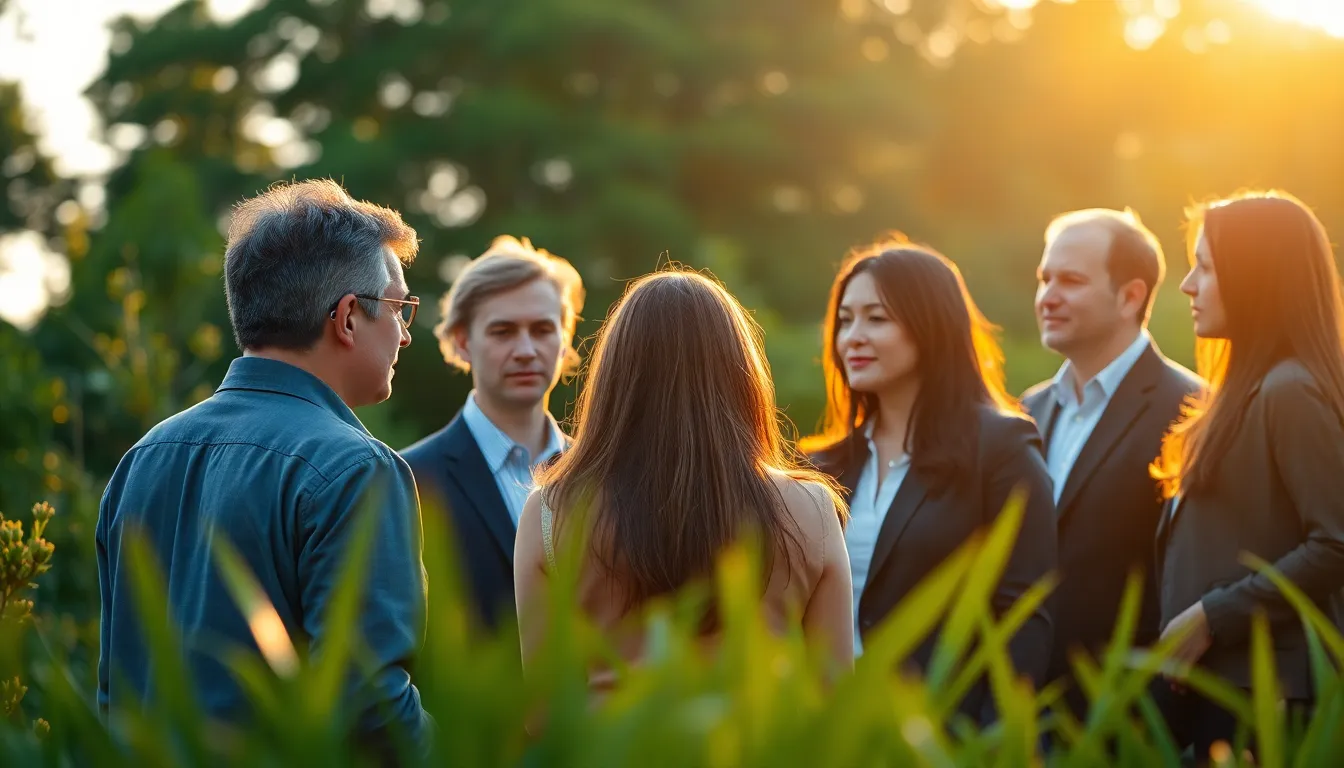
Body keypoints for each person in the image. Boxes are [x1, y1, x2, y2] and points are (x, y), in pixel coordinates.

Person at [96, 180, 430, 758]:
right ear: (348, 317)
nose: (404, 333)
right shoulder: (355, 470)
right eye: (400, 307)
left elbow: (115, 687)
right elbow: (370, 712)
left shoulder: (142, 458)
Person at [514, 268, 854, 688]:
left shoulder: (549, 512)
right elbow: (834, 693)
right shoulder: (813, 509)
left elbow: (541, 714)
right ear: (741, 374)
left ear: (614, 378)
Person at [803, 235, 1057, 724]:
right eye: (845, 319)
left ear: (931, 327)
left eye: (877, 318)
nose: (853, 336)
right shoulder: (820, 468)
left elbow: (1024, 617)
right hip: (832, 732)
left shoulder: (1001, 448)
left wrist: (992, 742)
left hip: (945, 732)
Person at [1152, 190, 1344, 759]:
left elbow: (1336, 540)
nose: (1187, 285)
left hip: (1265, 695)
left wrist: (1216, 614)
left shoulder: (1290, 391)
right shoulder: (1243, 392)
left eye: (1205, 268)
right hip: (1221, 687)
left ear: (1257, 277)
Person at [1022, 208, 1201, 718]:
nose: (1048, 296)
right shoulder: (1026, 411)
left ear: (1131, 296)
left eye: (1071, 281)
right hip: (1027, 712)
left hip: (1136, 715)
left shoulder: (1193, 411)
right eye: (1044, 278)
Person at [402, 236, 585, 629]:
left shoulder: (603, 474)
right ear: (462, 341)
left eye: (542, 329)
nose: (525, 349)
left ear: (565, 338)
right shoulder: (410, 481)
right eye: (503, 331)